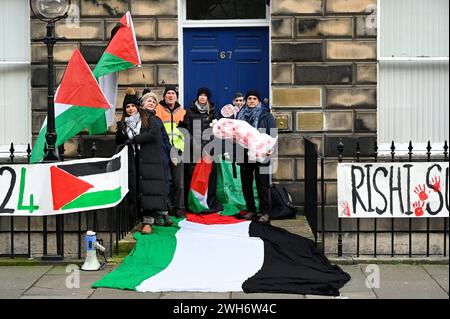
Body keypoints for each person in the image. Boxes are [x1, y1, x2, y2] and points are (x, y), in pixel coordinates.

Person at [116, 88, 173, 234]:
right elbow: (119, 141)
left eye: (132, 106)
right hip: (134, 160)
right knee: (140, 190)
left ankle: (151, 220)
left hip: (151, 158)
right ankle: (145, 218)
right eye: (127, 107)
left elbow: (154, 136)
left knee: (152, 188)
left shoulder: (149, 118)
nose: (130, 109)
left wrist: (133, 140)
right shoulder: (123, 124)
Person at [179, 87, 223, 213]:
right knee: (193, 177)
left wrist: (207, 146)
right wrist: (196, 145)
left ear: (208, 98)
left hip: (209, 151)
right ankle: (193, 204)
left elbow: (215, 131)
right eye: (200, 95)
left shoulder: (213, 112)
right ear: (197, 97)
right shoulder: (189, 111)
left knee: (209, 179)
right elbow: (186, 131)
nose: (202, 97)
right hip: (194, 151)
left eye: (205, 95)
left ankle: (208, 203)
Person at [236, 90, 276, 223]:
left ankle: (265, 212)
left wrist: (271, 148)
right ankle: (251, 210)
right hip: (245, 154)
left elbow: (273, 134)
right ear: (246, 101)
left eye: (254, 98)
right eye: (249, 98)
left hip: (262, 154)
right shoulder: (240, 115)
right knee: (246, 184)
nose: (251, 101)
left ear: (258, 101)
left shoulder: (266, 115)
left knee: (262, 184)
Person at [155, 86, 187, 218]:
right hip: (162, 150)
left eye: (173, 93)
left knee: (178, 183)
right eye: (168, 93)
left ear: (176, 96)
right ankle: (166, 208)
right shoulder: (158, 109)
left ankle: (179, 208)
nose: (170, 95)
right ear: (164, 96)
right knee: (164, 181)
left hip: (178, 151)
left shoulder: (183, 112)